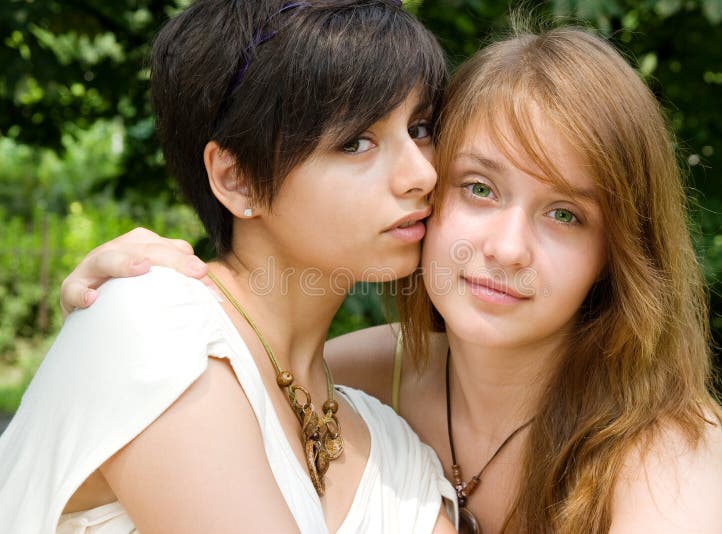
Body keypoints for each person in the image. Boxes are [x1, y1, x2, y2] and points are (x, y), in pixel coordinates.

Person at [58, 25, 722, 534]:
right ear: (433, 197)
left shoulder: (663, 449)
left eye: (565, 215)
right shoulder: (358, 377)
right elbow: (214, 370)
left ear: (618, 255)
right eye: (479, 188)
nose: (507, 249)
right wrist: (129, 302)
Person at [0, 1, 458, 532]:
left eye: (422, 128)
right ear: (236, 178)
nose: (422, 173)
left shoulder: (390, 449)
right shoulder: (158, 326)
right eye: (356, 142)